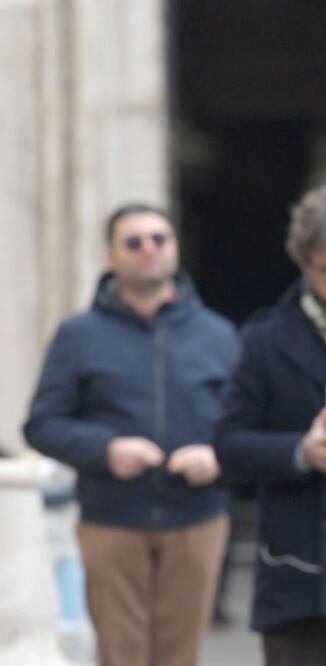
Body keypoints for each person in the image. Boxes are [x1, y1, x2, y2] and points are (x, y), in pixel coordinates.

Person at [23, 203, 238, 666]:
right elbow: (42, 424)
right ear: (111, 256)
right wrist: (106, 450)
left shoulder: (217, 335)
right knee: (120, 656)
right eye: (134, 242)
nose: (149, 250)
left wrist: (218, 457)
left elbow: (244, 425)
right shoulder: (78, 335)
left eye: (159, 239)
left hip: (197, 520)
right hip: (111, 520)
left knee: (181, 656)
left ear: (175, 248)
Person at [214, 185, 326, 666]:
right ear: (304, 264)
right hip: (296, 559)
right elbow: (228, 443)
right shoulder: (265, 338)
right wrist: (300, 452)